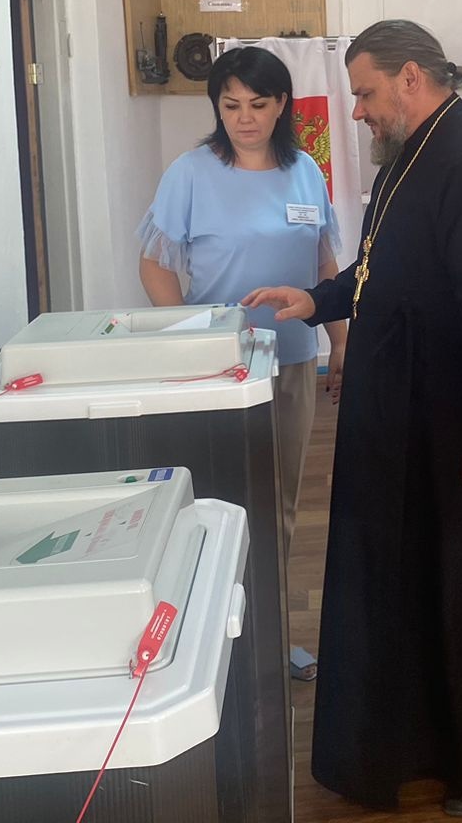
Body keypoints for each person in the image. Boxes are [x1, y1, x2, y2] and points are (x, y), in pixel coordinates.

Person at [245, 20, 462, 817]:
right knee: (407, 583)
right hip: (404, 409)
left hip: (460, 412)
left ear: (412, 77)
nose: (357, 111)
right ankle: (414, 745)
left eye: (366, 93)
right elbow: (382, 267)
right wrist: (317, 299)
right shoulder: (409, 155)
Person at [138, 45, 346, 680]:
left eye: (258, 104)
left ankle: (268, 638)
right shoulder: (191, 173)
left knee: (278, 501)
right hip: (218, 367)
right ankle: (209, 646)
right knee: (218, 500)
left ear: (281, 105)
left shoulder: (305, 171)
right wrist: (189, 335)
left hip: (290, 360)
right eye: (231, 106)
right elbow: (155, 264)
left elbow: (325, 267)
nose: (244, 118)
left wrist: (342, 342)